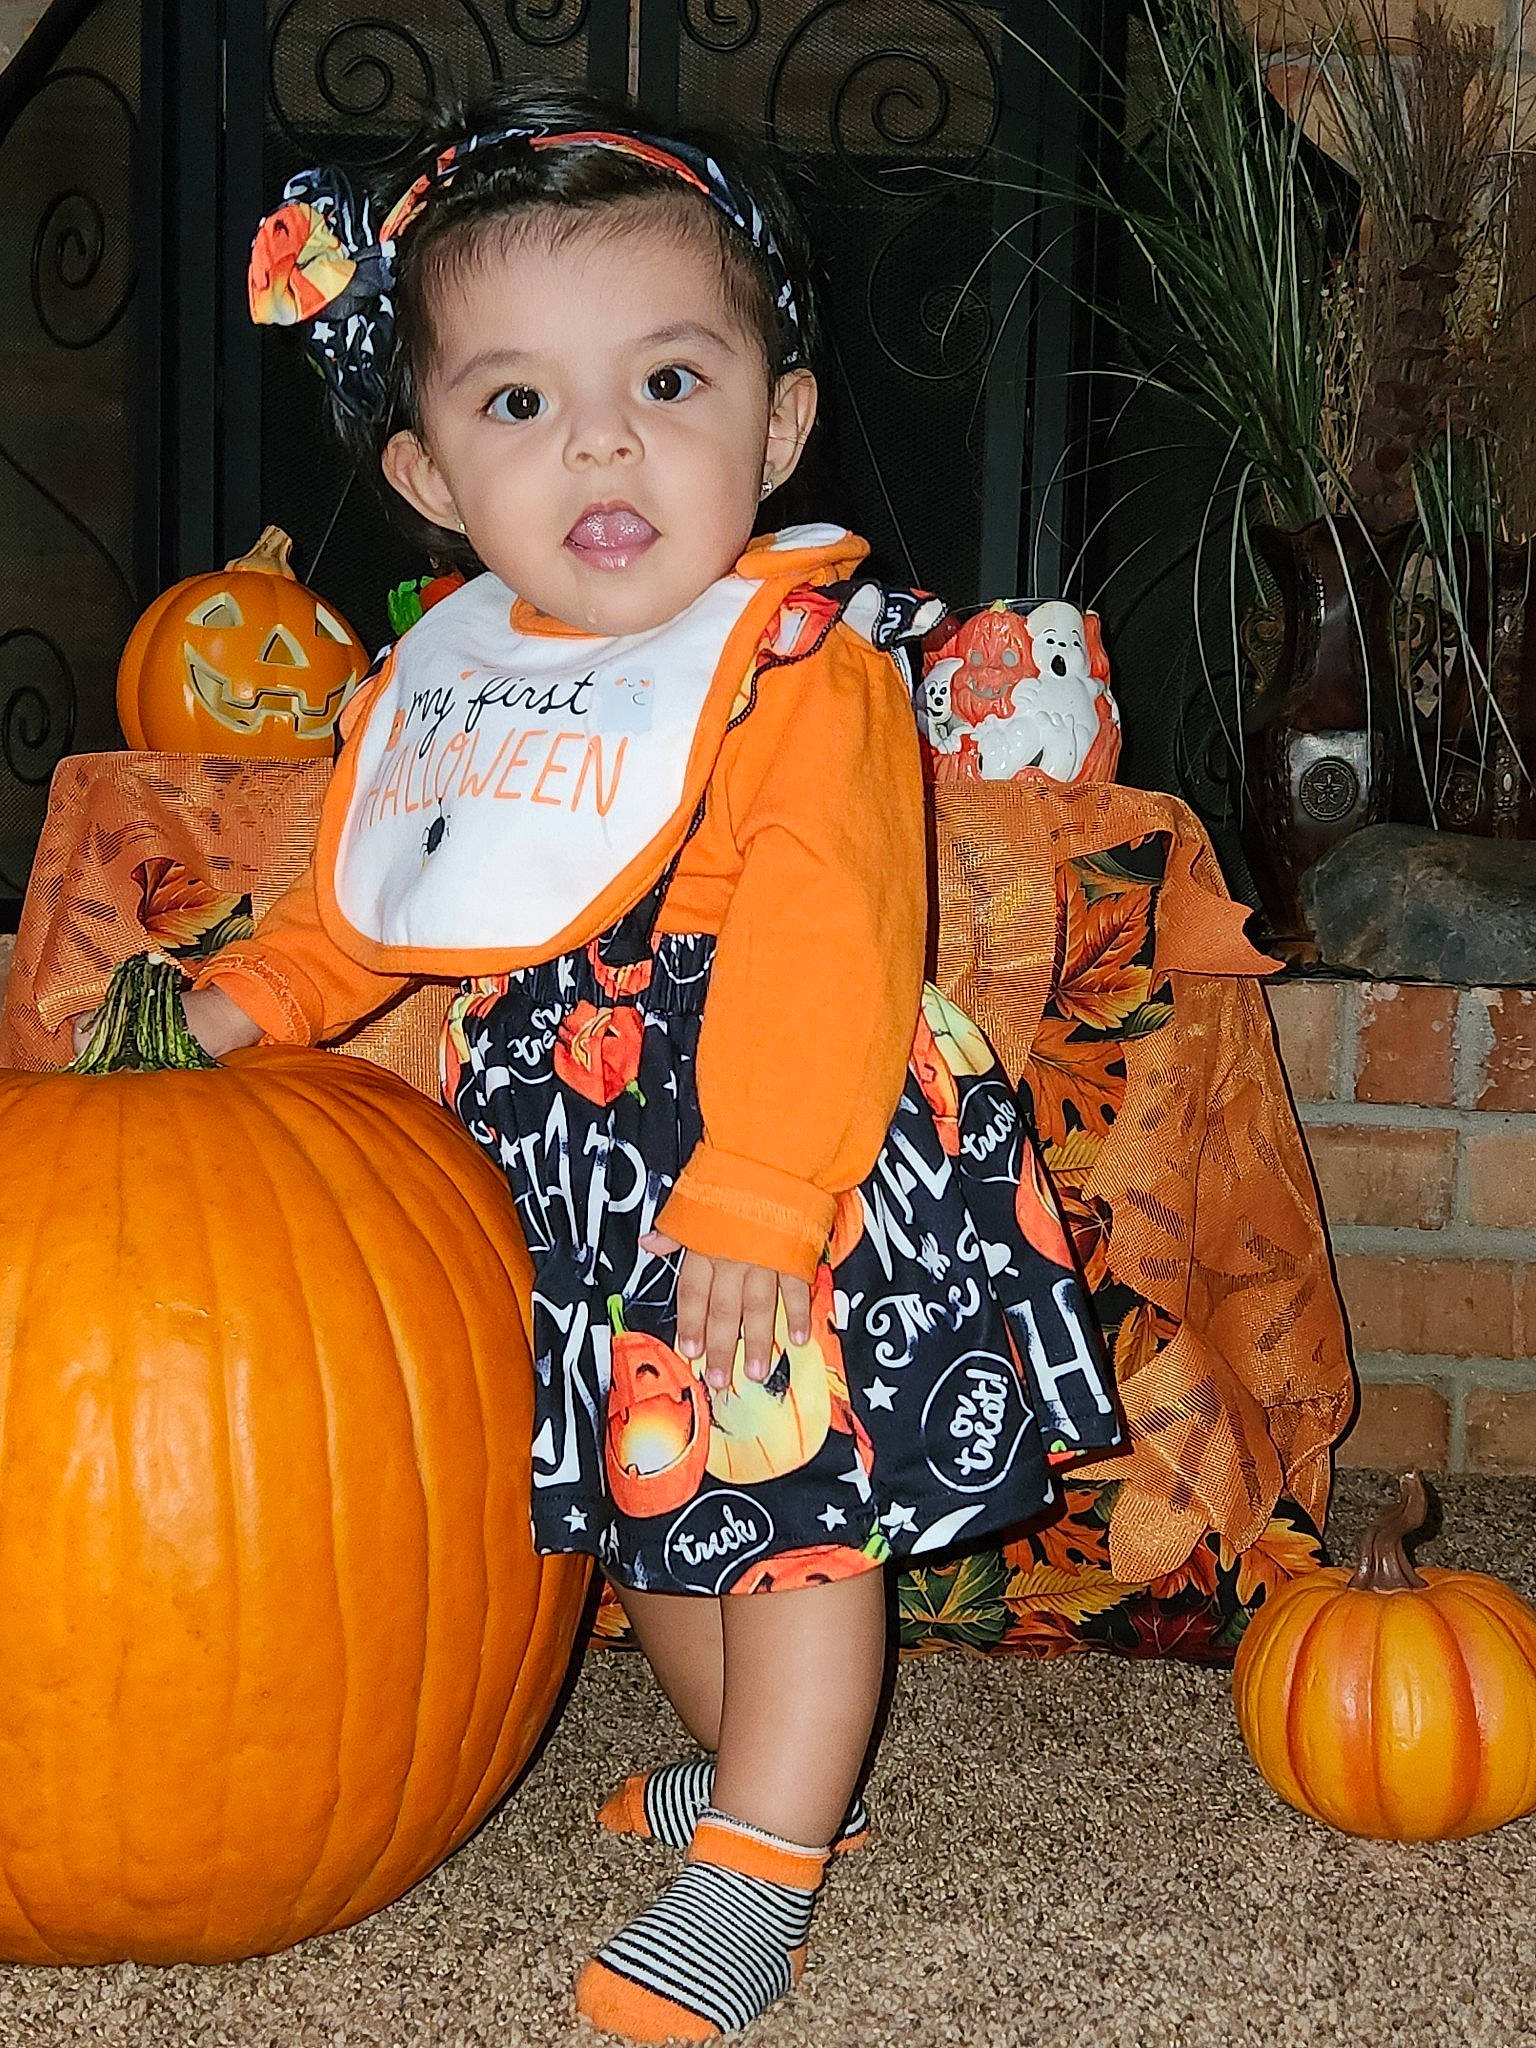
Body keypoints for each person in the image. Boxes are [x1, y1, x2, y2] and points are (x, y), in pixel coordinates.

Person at [101, 86, 1120, 2039]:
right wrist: (219, 1008)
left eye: (668, 377)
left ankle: (759, 1865)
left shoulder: (791, 660)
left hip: (775, 1129)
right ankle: (768, 1769)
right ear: (422, 470)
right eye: (516, 404)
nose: (602, 441)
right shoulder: (447, 680)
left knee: (782, 1498)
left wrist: (761, 1188)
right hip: (569, 1153)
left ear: (780, 423)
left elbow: (831, 922)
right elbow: (359, 908)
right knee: (644, 1507)